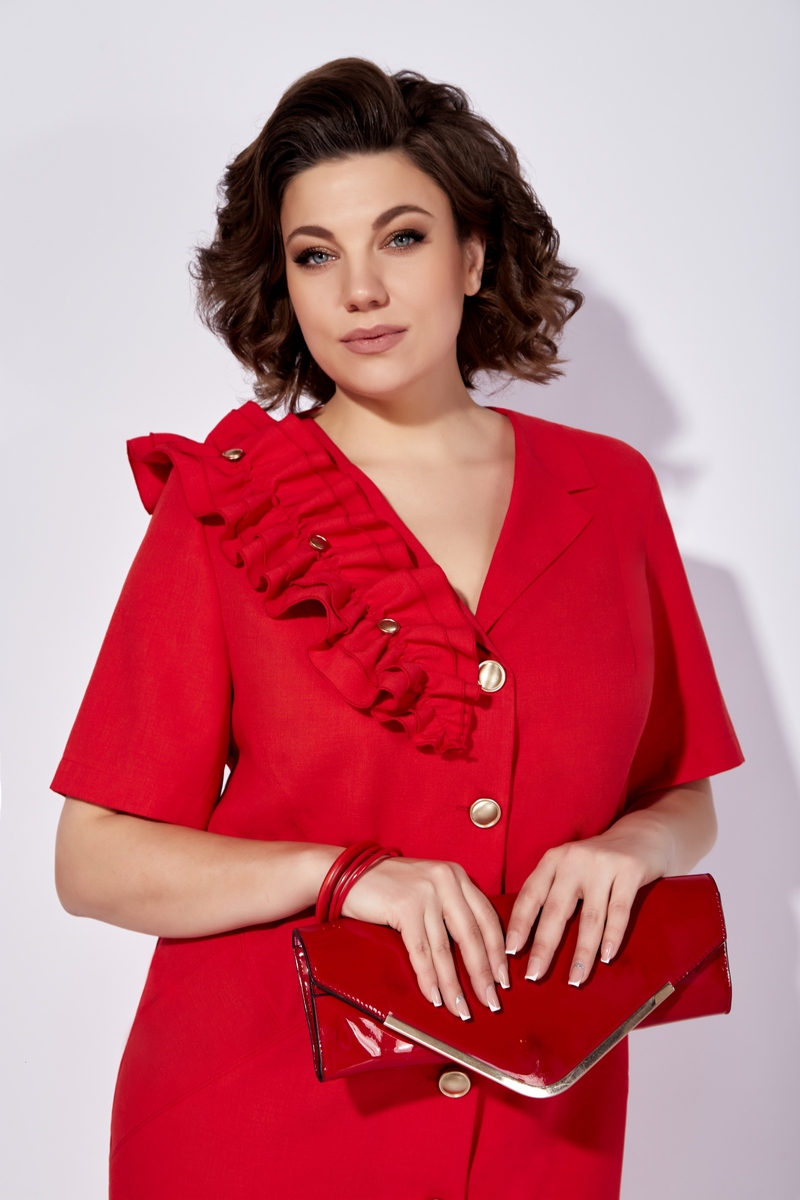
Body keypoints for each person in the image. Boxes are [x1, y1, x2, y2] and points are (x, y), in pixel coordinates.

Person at [51, 57, 743, 1200]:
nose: (359, 290)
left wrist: (634, 849)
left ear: (473, 256)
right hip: (258, 1119)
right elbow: (94, 860)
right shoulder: (229, 507)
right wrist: (346, 877)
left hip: (541, 1116)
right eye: (315, 255)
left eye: (401, 238)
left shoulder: (609, 493)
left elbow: (683, 793)